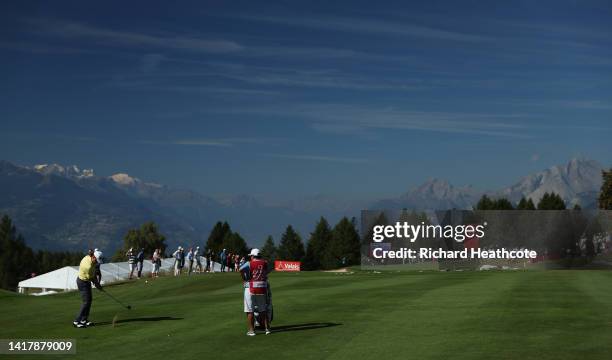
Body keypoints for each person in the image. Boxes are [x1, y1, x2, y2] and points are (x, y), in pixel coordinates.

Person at [239, 248, 270, 336]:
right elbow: (267, 273)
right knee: (263, 310)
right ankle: (267, 329)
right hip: (262, 288)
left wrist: (244, 279)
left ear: (253, 256)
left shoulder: (249, 263)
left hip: (250, 287)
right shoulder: (265, 262)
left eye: (251, 256)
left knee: (250, 310)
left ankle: (252, 331)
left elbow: (240, 269)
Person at [73, 249, 102, 328]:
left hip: (85, 281)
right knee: (86, 302)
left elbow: (93, 277)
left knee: (89, 300)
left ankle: (84, 320)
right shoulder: (88, 267)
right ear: (93, 258)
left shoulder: (89, 257)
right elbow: (92, 278)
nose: (97, 262)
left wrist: (97, 284)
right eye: (96, 260)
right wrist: (98, 285)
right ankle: (77, 321)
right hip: (82, 282)